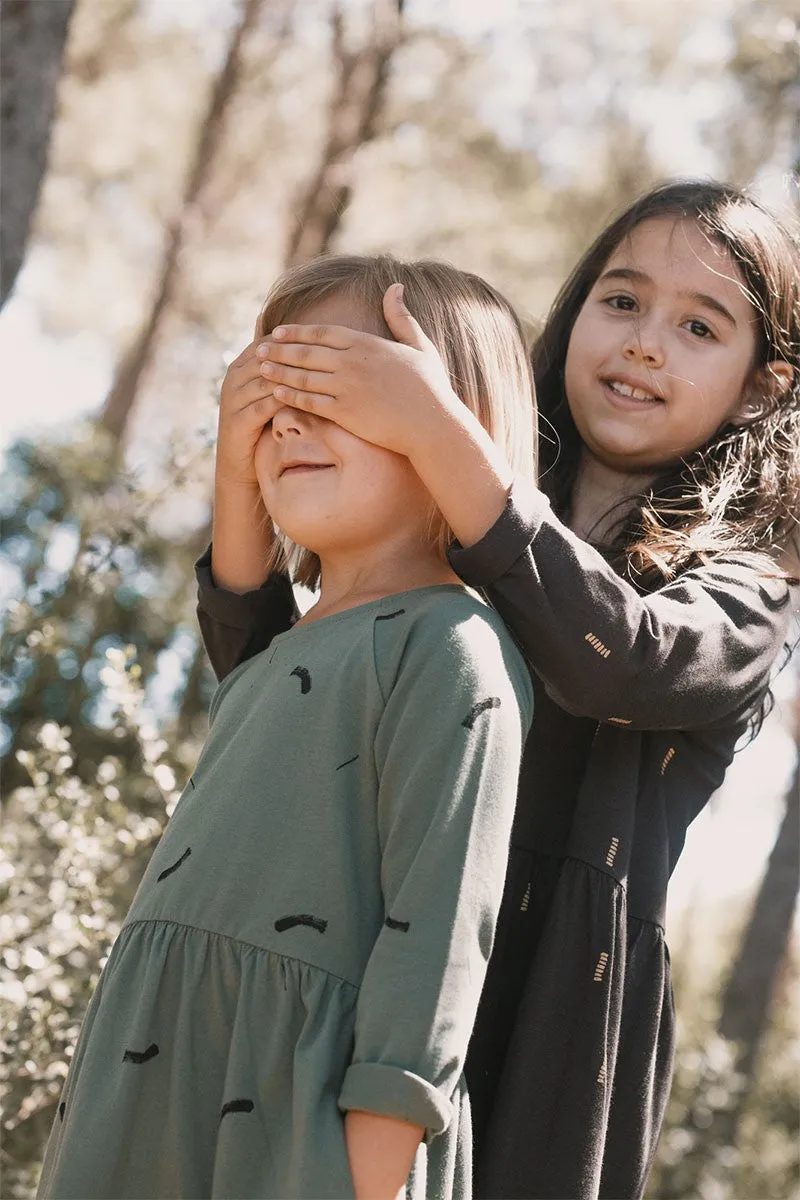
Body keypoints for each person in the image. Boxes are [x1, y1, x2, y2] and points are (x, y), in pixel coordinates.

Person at [196, 180, 800, 1199]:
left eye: (698, 325)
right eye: (619, 302)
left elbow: (624, 655)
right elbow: (277, 679)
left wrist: (435, 432)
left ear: (758, 386)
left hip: (552, 1016)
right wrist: (238, 455)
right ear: (571, 316)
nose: (644, 343)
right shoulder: (449, 513)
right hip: (365, 945)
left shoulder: (754, 582)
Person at [36, 257, 538, 1200]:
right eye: (271, 396)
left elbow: (434, 953)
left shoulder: (449, 650)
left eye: (334, 388)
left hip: (301, 1140)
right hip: (148, 1095)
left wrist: (367, 1178)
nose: (290, 422)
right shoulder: (269, 657)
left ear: (450, 417)